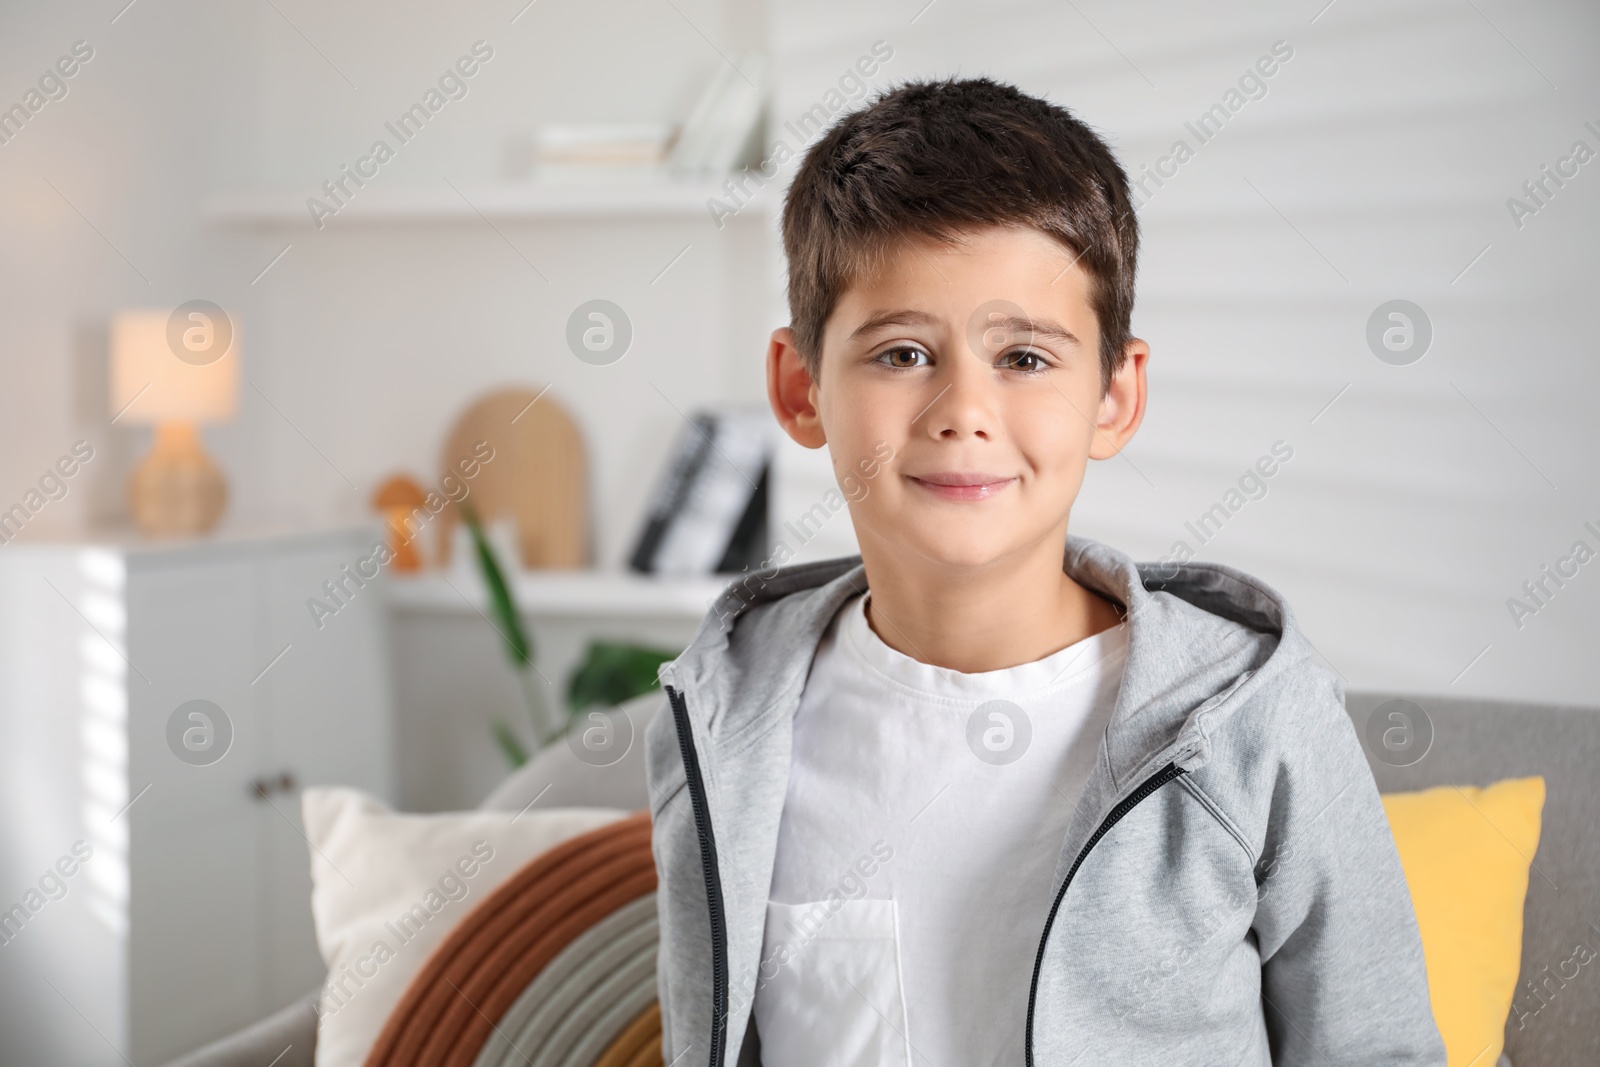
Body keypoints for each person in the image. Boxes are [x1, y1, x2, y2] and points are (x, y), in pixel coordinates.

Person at [644, 77, 1444, 1066]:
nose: (961, 410)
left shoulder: (1251, 718)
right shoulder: (723, 719)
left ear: (1114, 394)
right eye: (900, 353)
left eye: (1024, 358)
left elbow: (1374, 1046)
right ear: (800, 388)